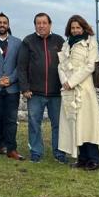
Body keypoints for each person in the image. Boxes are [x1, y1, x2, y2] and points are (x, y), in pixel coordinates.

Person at [57, 15, 99, 170]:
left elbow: (90, 66)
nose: (76, 30)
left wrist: (72, 82)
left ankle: (94, 159)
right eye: (73, 28)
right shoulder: (66, 44)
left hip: (84, 89)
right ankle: (82, 158)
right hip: (68, 90)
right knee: (75, 124)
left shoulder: (90, 43)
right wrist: (65, 81)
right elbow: (61, 65)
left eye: (78, 27)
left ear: (84, 28)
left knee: (88, 124)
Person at [17, 12, 67, 163]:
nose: (41, 25)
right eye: (38, 23)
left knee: (58, 125)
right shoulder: (28, 41)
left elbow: (66, 65)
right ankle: (36, 152)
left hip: (56, 93)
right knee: (34, 124)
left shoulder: (59, 40)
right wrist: (24, 88)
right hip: (34, 93)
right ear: (35, 25)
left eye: (44, 23)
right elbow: (21, 66)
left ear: (50, 24)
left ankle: (59, 153)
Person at [0, 13, 24, 160]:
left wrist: (11, 79)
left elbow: (20, 65)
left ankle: (11, 149)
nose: (2, 25)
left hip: (12, 88)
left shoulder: (18, 42)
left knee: (11, 120)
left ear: (8, 25)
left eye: (4, 22)